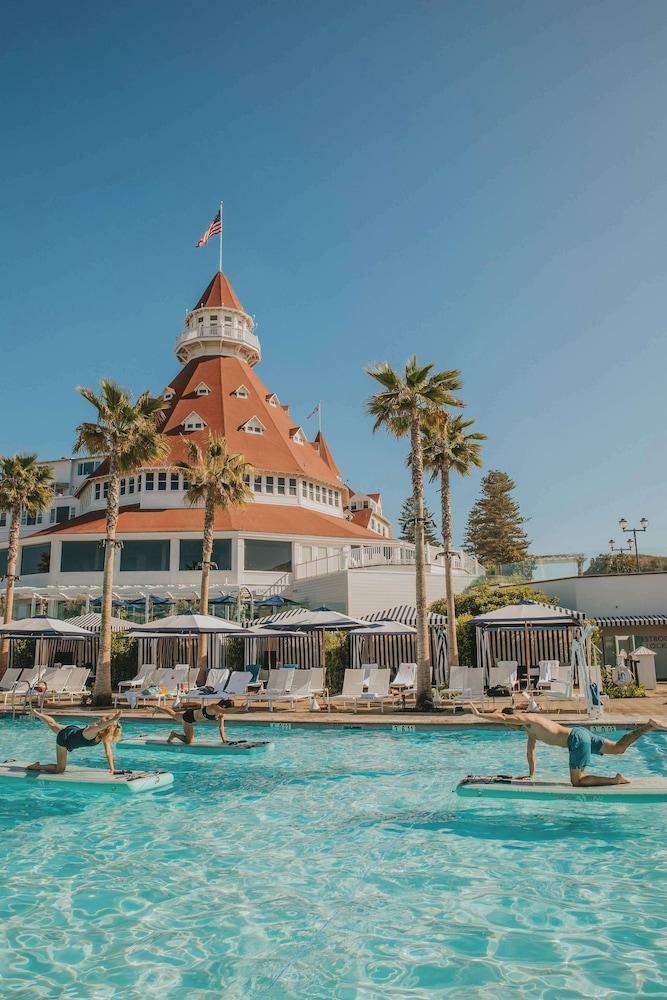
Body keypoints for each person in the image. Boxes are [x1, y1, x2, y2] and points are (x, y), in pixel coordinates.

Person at [469, 704, 661, 786]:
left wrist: (479, 714)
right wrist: (531, 774)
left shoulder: (527, 719)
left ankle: (615, 780)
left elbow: (503, 716)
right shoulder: (530, 730)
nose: (507, 727)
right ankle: (648, 726)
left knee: (577, 782)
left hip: (575, 740)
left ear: (512, 720)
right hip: (579, 733)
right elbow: (531, 751)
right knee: (619, 748)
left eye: (507, 725)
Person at [27, 709, 123, 774]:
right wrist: (113, 719)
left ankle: (37, 714)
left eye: (106, 718)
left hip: (73, 731)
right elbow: (101, 726)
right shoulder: (93, 729)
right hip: (65, 739)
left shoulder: (103, 736)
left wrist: (112, 769)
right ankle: (37, 767)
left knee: (52, 724)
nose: (103, 717)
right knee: (60, 769)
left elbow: (108, 752)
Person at [157, 702, 228, 745]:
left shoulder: (221, 715)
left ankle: (158, 708)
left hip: (191, 714)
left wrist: (223, 740)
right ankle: (174, 734)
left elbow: (221, 727)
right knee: (188, 741)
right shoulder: (212, 708)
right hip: (189, 718)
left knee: (174, 714)